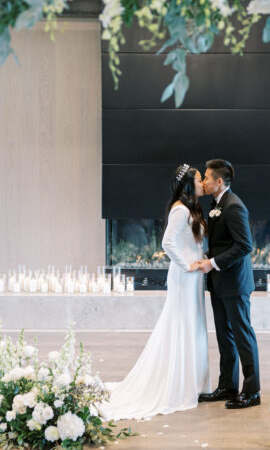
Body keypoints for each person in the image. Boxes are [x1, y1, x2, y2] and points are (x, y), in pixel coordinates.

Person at [98, 164, 211, 421]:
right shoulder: (181, 210)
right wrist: (188, 264)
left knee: (192, 324)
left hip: (194, 278)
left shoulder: (192, 208)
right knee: (180, 323)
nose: (202, 182)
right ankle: (177, 384)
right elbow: (167, 242)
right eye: (198, 179)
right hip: (184, 277)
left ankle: (192, 382)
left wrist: (200, 259)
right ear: (188, 185)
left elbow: (190, 242)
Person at [197, 159, 261, 409]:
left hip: (234, 283)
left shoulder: (234, 206)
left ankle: (252, 391)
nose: (204, 181)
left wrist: (212, 263)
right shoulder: (217, 204)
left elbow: (245, 245)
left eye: (207, 178)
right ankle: (227, 386)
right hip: (220, 282)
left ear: (219, 181)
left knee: (243, 336)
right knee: (225, 336)